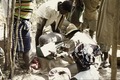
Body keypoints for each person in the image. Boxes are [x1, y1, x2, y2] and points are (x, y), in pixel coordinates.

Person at [12, 0, 34, 69]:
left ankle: (24, 65)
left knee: (26, 47)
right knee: (26, 48)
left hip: (24, 22)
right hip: (20, 23)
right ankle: (26, 67)